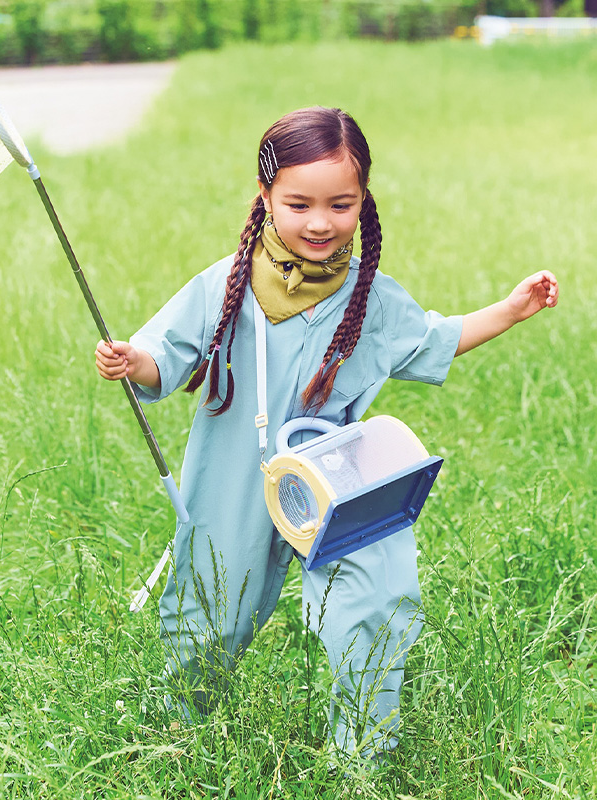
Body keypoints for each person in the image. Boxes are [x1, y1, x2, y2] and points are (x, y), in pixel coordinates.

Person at [94, 107, 558, 759]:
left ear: (362, 200)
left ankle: (362, 752)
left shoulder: (369, 295)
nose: (319, 222)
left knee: (378, 594)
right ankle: (182, 730)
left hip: (333, 474)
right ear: (265, 198)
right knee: (211, 612)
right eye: (299, 203)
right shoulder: (224, 284)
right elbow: (164, 354)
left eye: (340, 204)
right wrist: (133, 362)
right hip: (233, 469)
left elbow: (433, 340)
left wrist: (511, 309)